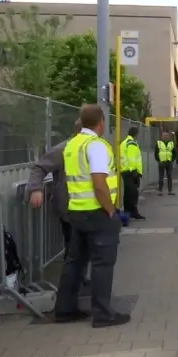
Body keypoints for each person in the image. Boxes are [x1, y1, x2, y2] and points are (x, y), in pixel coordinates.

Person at [54, 104, 130, 328]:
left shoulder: (72, 144)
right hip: (97, 213)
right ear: (101, 122)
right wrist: (110, 210)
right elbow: (99, 183)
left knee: (74, 262)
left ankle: (64, 309)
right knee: (102, 264)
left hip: (76, 211)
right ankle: (103, 314)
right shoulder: (95, 146)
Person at [27, 120, 86, 269]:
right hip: (69, 207)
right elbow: (40, 167)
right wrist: (35, 189)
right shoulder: (63, 149)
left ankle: (79, 281)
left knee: (83, 248)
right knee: (74, 248)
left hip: (86, 207)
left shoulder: (90, 148)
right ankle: (73, 286)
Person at [119, 127, 145, 220]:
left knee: (128, 193)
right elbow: (132, 158)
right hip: (131, 172)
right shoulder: (131, 143)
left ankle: (128, 212)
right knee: (133, 194)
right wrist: (135, 172)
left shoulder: (124, 142)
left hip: (125, 171)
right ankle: (133, 212)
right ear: (136, 134)